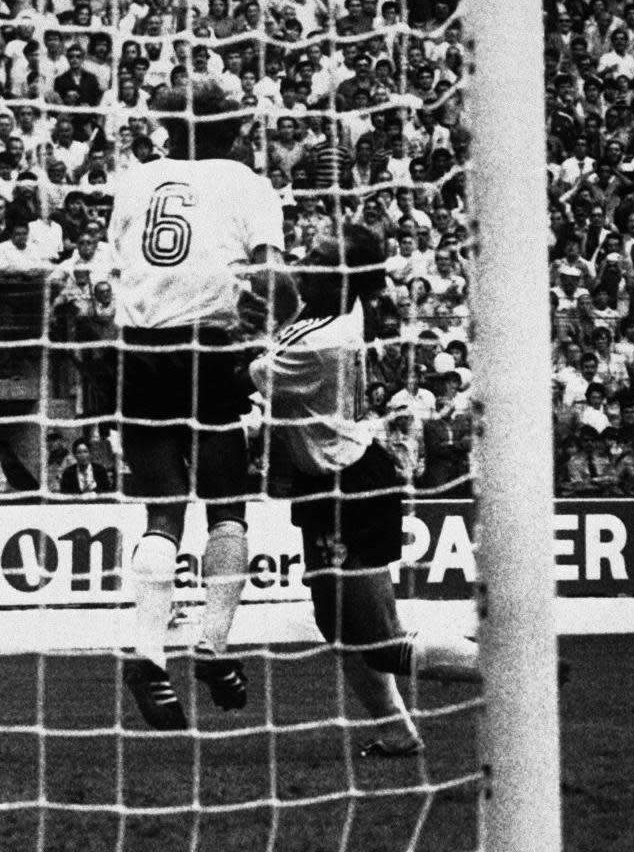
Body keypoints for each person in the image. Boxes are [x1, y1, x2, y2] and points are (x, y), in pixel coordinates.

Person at [249, 224, 481, 758]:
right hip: (323, 482)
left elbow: (245, 373)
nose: (305, 263)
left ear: (344, 278)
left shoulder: (321, 341)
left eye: (320, 259)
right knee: (336, 628)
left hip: (350, 484)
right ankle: (397, 731)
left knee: (379, 640)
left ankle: (513, 671)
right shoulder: (334, 310)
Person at [109, 81, 289, 730]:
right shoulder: (247, 184)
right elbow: (271, 279)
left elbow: (119, 265)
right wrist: (257, 342)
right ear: (233, 131)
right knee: (226, 509)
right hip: (210, 348)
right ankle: (213, 647)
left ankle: (149, 655)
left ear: (168, 130)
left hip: (138, 350)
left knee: (162, 511)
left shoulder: (135, 180)